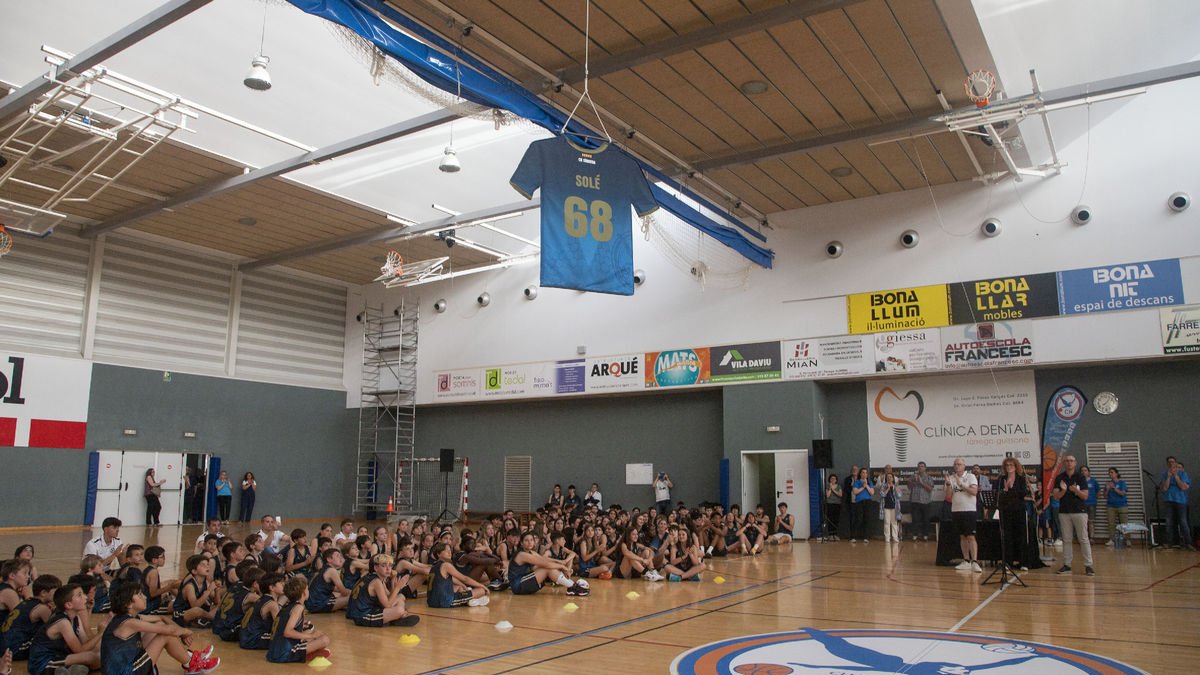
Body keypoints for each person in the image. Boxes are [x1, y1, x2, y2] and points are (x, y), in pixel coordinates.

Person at [102, 581, 220, 675]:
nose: (144, 597)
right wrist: (185, 631)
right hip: (126, 672)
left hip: (127, 666)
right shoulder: (129, 623)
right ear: (128, 604)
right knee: (164, 635)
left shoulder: (129, 617)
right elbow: (170, 631)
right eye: (139, 594)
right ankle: (191, 664)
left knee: (160, 626)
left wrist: (179, 631)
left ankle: (190, 658)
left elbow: (161, 618)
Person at [26, 584, 101, 675]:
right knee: (92, 657)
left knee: (98, 652)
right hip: (43, 662)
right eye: (79, 595)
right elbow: (80, 650)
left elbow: (86, 642)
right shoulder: (63, 622)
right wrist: (101, 633)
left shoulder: (76, 618)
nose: (85, 597)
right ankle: (63, 670)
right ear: (69, 605)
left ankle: (70, 670)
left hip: (60, 656)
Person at [266, 577, 331, 664]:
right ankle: (306, 654)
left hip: (273, 652)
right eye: (307, 589)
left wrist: (303, 628)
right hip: (283, 654)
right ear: (304, 592)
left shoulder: (288, 605)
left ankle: (306, 652)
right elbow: (287, 632)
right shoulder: (298, 607)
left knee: (309, 631)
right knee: (324, 640)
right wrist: (312, 636)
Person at [346, 554, 420, 627]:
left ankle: (396, 617)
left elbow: (389, 597)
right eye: (384, 566)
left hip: (364, 611)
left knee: (400, 597)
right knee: (399, 610)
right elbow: (388, 605)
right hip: (362, 616)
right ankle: (397, 618)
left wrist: (393, 581)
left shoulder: (374, 577)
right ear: (376, 568)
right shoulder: (376, 582)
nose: (388, 569)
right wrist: (398, 587)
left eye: (390, 565)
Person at [1053, 455, 1095, 576]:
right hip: (1064, 511)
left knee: (1083, 538)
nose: (1069, 463)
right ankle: (1067, 565)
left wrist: (1075, 491)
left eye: (1071, 461)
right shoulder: (1060, 477)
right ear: (1064, 463)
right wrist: (1064, 490)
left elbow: (1085, 496)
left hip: (1079, 511)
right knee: (1066, 539)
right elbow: (1056, 496)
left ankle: (1088, 565)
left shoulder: (1081, 477)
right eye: (1067, 461)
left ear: (1075, 463)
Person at [427, 542, 490, 608]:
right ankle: (470, 601)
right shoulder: (446, 565)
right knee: (481, 590)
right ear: (438, 554)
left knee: (459, 587)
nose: (449, 553)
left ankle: (469, 600)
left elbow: (453, 579)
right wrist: (482, 586)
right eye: (446, 551)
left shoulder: (433, 565)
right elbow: (465, 579)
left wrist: (462, 585)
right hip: (444, 602)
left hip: (431, 602)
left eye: (450, 550)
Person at [945, 458, 981, 573]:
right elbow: (948, 496)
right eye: (955, 464)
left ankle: (974, 562)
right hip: (956, 510)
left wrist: (961, 484)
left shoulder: (970, 477)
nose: (957, 466)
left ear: (964, 466)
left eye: (959, 464)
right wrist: (948, 484)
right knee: (962, 536)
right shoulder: (951, 477)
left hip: (969, 510)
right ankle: (966, 560)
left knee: (971, 536)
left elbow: (974, 492)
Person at [997, 457, 1030, 569]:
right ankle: (1008, 562)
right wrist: (1005, 491)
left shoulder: (1021, 479)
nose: (1009, 467)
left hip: (1019, 510)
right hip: (1006, 511)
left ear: (1016, 467)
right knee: (1007, 537)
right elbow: (998, 495)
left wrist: (1011, 488)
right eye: (1007, 465)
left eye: (1011, 465)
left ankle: (1023, 562)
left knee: (1020, 536)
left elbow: (1023, 493)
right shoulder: (1002, 479)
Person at [1160, 456, 1193, 550]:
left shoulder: (1183, 474)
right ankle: (1170, 542)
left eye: (1173, 462)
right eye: (1169, 462)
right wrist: (1169, 477)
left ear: (1175, 463)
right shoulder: (1164, 474)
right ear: (1167, 463)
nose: (1171, 463)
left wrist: (1176, 476)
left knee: (1183, 521)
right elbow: (1165, 488)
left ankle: (1188, 542)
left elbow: (1183, 487)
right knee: (1169, 522)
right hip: (1168, 500)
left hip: (1180, 501)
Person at [908, 462, 934, 541]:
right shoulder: (913, 476)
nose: (920, 468)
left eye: (922, 466)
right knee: (915, 519)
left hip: (925, 502)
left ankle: (925, 535)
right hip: (915, 501)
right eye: (919, 466)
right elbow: (909, 487)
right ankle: (915, 535)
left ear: (925, 468)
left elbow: (930, 489)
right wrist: (915, 481)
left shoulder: (929, 477)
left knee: (925, 519)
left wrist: (921, 482)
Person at [1104, 467, 1129, 546]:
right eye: (1109, 472)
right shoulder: (1108, 483)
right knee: (1111, 523)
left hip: (1122, 505)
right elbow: (1104, 496)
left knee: (1124, 523)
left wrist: (1114, 488)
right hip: (1111, 506)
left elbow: (1123, 493)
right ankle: (1112, 539)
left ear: (1116, 474)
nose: (1110, 474)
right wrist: (1107, 489)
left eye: (1112, 472)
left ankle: (1127, 539)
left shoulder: (1122, 483)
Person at [850, 468, 874, 543]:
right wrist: (863, 487)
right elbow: (855, 492)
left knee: (866, 519)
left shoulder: (869, 482)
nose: (864, 474)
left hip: (868, 502)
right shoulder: (856, 482)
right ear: (860, 474)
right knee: (858, 519)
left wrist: (866, 485)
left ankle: (866, 537)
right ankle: (853, 537)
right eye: (863, 472)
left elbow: (872, 493)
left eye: (866, 473)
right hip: (859, 502)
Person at [878, 473, 900, 543]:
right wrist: (887, 488)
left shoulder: (896, 486)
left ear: (893, 478)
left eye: (891, 477)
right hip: (886, 507)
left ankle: (895, 537)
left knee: (894, 523)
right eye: (888, 477)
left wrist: (895, 488)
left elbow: (899, 495)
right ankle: (887, 537)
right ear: (886, 478)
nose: (889, 478)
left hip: (894, 507)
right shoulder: (883, 486)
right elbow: (882, 494)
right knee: (887, 522)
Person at [1081, 465, 1100, 543]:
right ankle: (1084, 538)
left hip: (1091, 503)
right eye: (1082, 471)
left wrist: (1094, 498)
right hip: (1082, 504)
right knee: (1083, 522)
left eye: (1085, 470)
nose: (1083, 472)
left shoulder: (1093, 481)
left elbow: (1098, 491)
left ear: (1088, 472)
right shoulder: (1079, 481)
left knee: (1091, 521)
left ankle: (1091, 537)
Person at [824, 475, 841, 540]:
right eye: (831, 479)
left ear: (836, 480)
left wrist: (833, 489)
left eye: (834, 479)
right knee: (830, 519)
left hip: (837, 504)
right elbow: (827, 495)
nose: (833, 480)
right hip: (829, 504)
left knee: (836, 519)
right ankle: (830, 534)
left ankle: (835, 534)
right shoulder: (827, 487)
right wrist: (830, 488)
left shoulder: (839, 486)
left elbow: (840, 494)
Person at [842, 464, 858, 536]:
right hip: (850, 502)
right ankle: (852, 535)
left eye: (855, 470)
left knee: (859, 518)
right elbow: (846, 490)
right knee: (852, 519)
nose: (854, 471)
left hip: (859, 501)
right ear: (851, 471)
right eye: (853, 470)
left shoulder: (861, 479)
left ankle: (859, 535)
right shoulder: (847, 479)